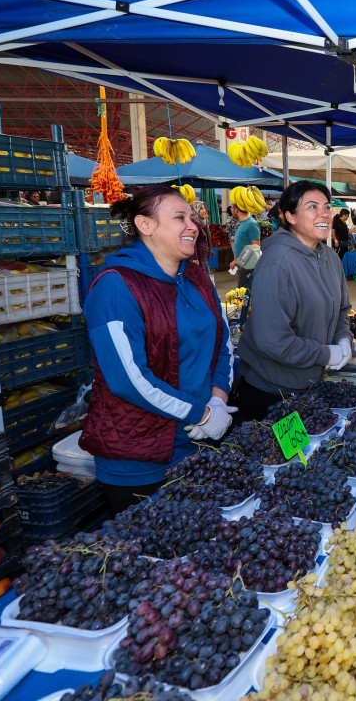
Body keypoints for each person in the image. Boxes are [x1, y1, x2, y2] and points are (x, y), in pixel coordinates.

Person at [81, 185, 234, 513]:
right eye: (179, 217)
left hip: (197, 445)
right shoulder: (115, 286)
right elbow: (129, 380)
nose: (193, 225)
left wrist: (218, 401)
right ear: (145, 225)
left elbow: (223, 344)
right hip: (139, 460)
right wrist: (202, 414)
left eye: (192, 218)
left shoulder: (198, 279)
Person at [235, 180, 354, 421]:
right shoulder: (276, 262)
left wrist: (343, 338)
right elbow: (273, 341)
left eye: (327, 206)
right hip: (272, 392)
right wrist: (325, 354)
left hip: (310, 384)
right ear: (290, 216)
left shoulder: (329, 256)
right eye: (312, 207)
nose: (324, 213)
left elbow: (342, 309)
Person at [230, 196, 261, 290]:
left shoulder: (251, 224)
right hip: (242, 264)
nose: (231, 210)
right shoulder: (242, 223)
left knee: (243, 292)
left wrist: (240, 261)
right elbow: (242, 245)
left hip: (248, 266)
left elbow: (256, 246)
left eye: (232, 208)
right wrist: (236, 260)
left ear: (236, 210)